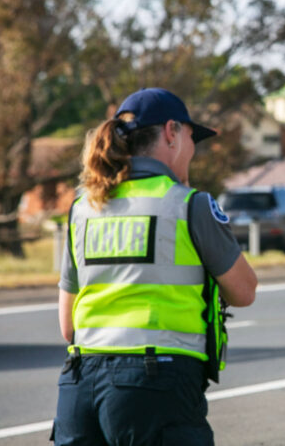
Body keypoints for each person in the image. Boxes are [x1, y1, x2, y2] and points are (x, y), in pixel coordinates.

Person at [52, 88, 258, 446]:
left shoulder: (84, 206)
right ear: (171, 132)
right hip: (156, 383)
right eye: (193, 138)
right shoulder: (188, 204)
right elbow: (244, 291)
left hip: (80, 383)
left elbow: (68, 326)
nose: (194, 149)